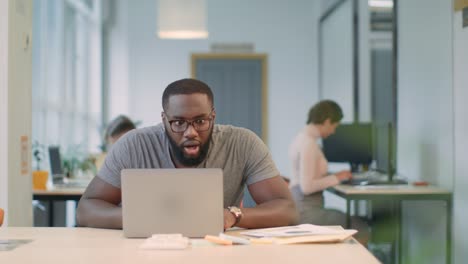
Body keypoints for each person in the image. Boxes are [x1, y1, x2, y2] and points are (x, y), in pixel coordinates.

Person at [77, 78, 298, 230]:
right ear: (164, 119)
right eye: (179, 122)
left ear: (213, 116)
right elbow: (86, 209)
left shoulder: (242, 143)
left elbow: (287, 209)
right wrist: (140, 218)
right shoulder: (133, 144)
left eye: (200, 121)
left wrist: (234, 215)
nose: (190, 132)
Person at [288, 100, 369, 244]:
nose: (333, 132)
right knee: (361, 227)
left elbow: (309, 176)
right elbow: (307, 187)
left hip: (299, 208)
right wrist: (337, 178)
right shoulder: (309, 144)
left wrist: (334, 176)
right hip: (307, 212)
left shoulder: (301, 138)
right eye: (334, 126)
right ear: (326, 121)